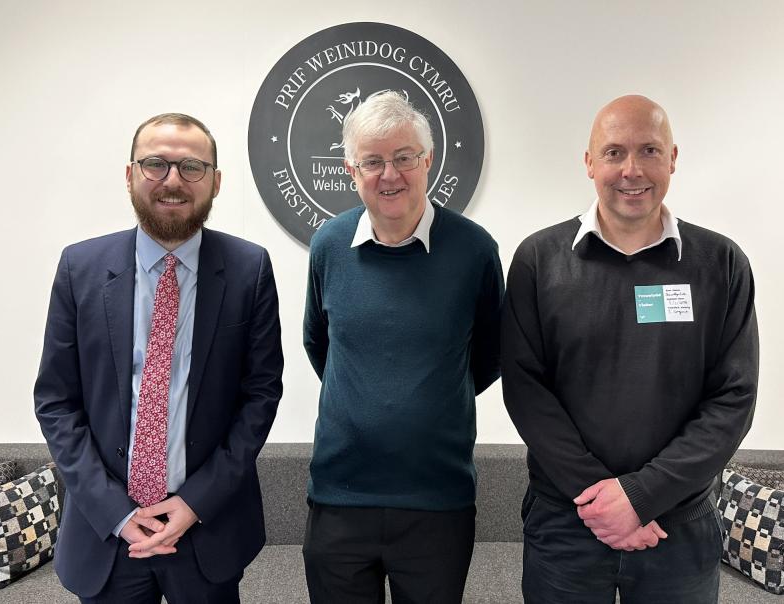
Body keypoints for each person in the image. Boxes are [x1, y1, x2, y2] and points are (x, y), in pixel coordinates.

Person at [501, 94, 758, 603]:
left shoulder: (721, 263)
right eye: (614, 152)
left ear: (673, 158)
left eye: (649, 151)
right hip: (567, 523)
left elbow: (733, 400)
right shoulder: (539, 260)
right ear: (589, 162)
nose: (631, 170)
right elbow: (526, 389)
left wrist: (642, 497)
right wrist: (605, 501)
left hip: (678, 527)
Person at [34, 113, 283, 603]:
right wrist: (118, 513)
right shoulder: (79, 268)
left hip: (205, 531)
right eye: (156, 164)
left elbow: (260, 397)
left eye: (192, 167)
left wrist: (196, 502)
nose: (173, 180)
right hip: (108, 535)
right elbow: (57, 403)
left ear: (216, 181)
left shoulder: (249, 269)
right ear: (130, 175)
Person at [302, 91, 504, 603]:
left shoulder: (475, 250)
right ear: (351, 170)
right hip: (340, 497)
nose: (389, 174)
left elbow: (488, 356)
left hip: (437, 501)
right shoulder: (329, 244)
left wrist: (429, 399)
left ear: (428, 160)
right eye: (372, 161)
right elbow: (319, 343)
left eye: (403, 157)